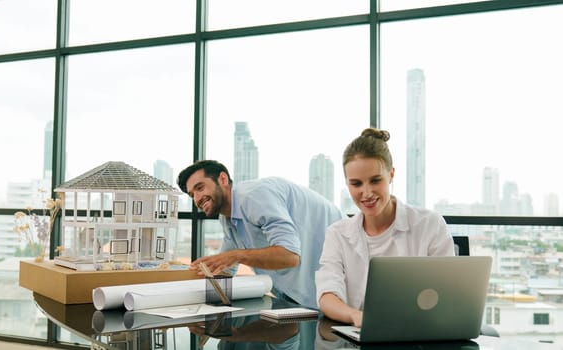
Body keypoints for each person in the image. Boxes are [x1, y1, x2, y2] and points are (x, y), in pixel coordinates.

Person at [315, 128, 455, 327]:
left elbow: (448, 291)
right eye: (356, 184)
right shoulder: (338, 234)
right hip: (359, 334)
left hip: (421, 331)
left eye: (375, 180)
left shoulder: (429, 224)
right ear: (347, 184)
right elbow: (327, 295)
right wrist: (356, 316)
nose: (367, 193)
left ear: (391, 175)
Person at [177, 160, 343, 308]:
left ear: (223, 179)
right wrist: (189, 280)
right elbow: (225, 270)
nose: (197, 199)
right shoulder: (227, 219)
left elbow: (290, 256)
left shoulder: (254, 195)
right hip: (301, 297)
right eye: (192, 195)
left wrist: (236, 256)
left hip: (338, 284)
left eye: (200, 188)